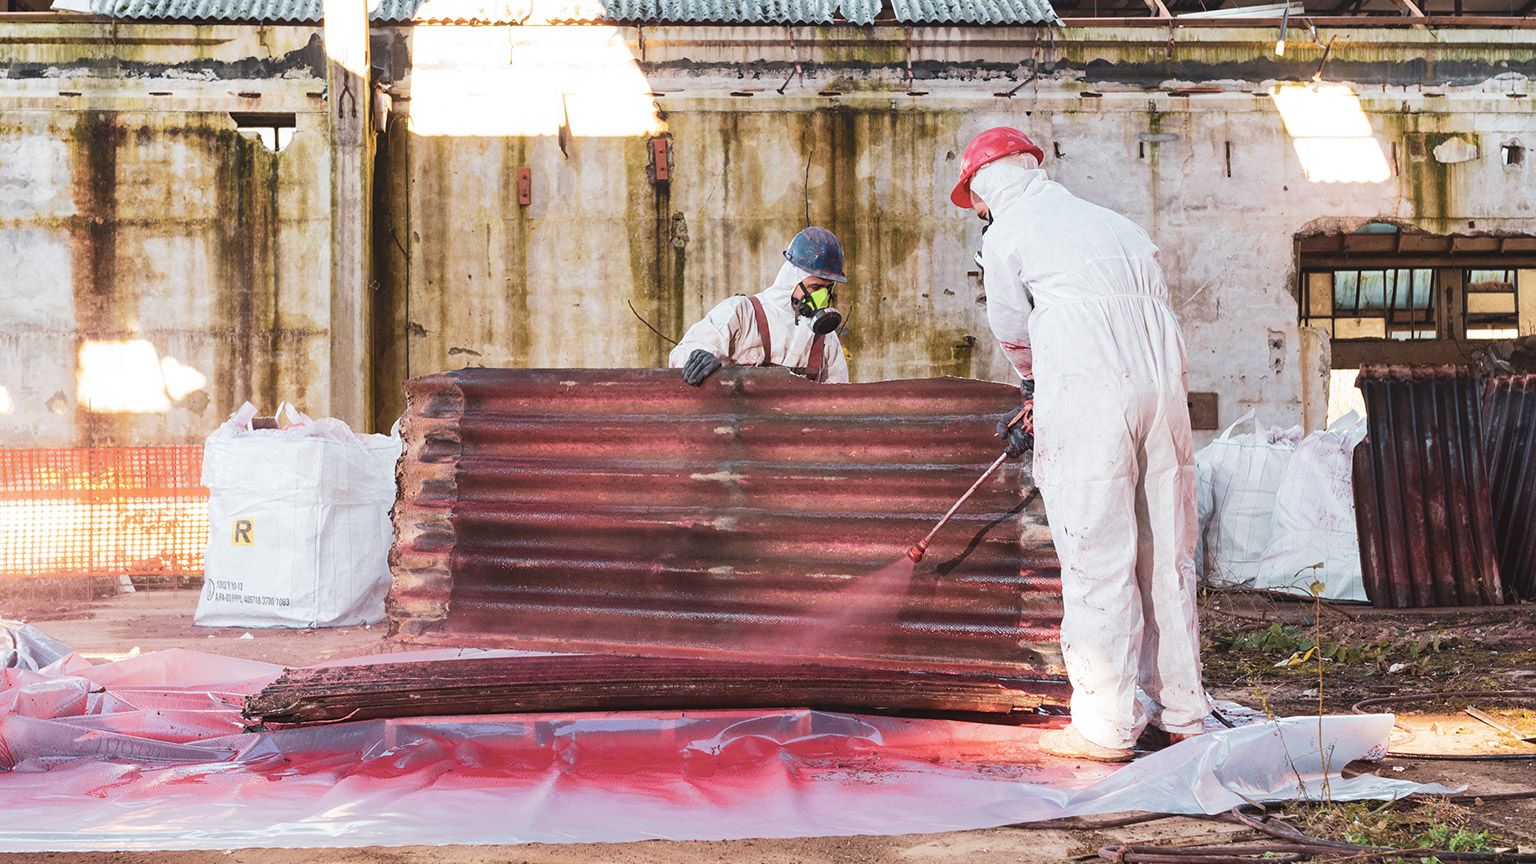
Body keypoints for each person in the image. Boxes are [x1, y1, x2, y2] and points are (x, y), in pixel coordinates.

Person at [951, 127, 1210, 762]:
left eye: (975, 202)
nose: (979, 213)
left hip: (1091, 395)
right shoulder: (1116, 225)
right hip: (1163, 394)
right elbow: (1158, 311)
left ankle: (1106, 725)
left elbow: (1014, 331)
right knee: (1166, 558)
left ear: (984, 188)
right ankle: (1182, 713)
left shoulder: (1008, 232)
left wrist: (1038, 386)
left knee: (1099, 555)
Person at [669, 227, 850, 385]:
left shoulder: (826, 339)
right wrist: (700, 356)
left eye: (828, 288)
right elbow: (683, 354)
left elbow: (837, 399)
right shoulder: (742, 313)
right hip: (735, 422)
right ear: (793, 279)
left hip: (797, 425)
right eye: (815, 287)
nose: (822, 297)